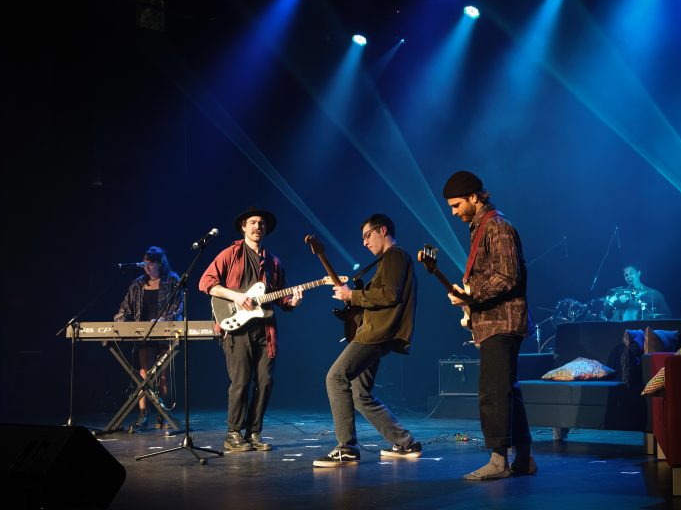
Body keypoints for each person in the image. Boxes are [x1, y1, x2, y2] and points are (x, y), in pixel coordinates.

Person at [443, 170, 537, 480]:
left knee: (493, 392)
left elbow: (508, 276)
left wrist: (471, 294)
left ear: (474, 197)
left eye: (457, 205)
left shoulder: (497, 226)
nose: (454, 212)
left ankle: (499, 460)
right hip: (493, 321)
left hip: (502, 321)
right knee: (507, 390)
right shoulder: (481, 227)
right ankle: (524, 458)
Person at [313, 214, 422, 467]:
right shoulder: (389, 260)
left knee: (335, 377)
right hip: (376, 331)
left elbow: (389, 294)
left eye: (367, 235)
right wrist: (353, 302)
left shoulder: (395, 255)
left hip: (376, 333)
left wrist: (352, 296)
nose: (364, 242)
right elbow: (381, 296)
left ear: (382, 230)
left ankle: (346, 448)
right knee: (360, 393)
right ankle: (405, 443)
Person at [199, 208, 303, 452]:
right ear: (244, 227)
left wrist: (293, 302)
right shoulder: (230, 254)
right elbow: (206, 283)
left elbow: (282, 299)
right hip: (237, 329)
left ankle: (254, 432)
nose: (258, 226)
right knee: (241, 381)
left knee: (265, 382)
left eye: (262, 223)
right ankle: (233, 433)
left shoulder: (274, 262)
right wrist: (236, 296)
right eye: (253, 222)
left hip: (265, 330)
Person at [114, 246, 183, 433]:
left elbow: (178, 307)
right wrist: (119, 322)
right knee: (144, 374)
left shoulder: (172, 280)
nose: (147, 267)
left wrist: (164, 320)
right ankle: (143, 414)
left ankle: (163, 413)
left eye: (151, 263)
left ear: (160, 263)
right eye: (145, 263)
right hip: (143, 334)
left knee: (163, 375)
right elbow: (125, 307)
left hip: (165, 332)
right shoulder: (138, 283)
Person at [606, 264, 671, 321]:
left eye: (631, 273)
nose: (628, 276)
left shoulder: (654, 294)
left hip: (644, 329)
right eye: (626, 275)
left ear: (638, 273)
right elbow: (613, 318)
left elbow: (666, 317)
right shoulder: (620, 294)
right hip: (625, 329)